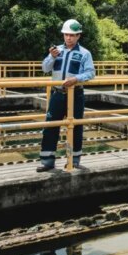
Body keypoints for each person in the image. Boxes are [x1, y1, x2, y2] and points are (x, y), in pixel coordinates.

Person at [38, 19, 95, 172]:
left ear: (78, 36)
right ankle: (47, 161)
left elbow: (90, 73)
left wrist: (76, 79)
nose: (69, 38)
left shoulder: (84, 53)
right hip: (57, 93)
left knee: (75, 127)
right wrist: (51, 57)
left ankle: (74, 161)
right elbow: (45, 69)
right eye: (66, 35)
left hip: (76, 94)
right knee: (50, 126)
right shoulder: (56, 51)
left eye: (72, 35)